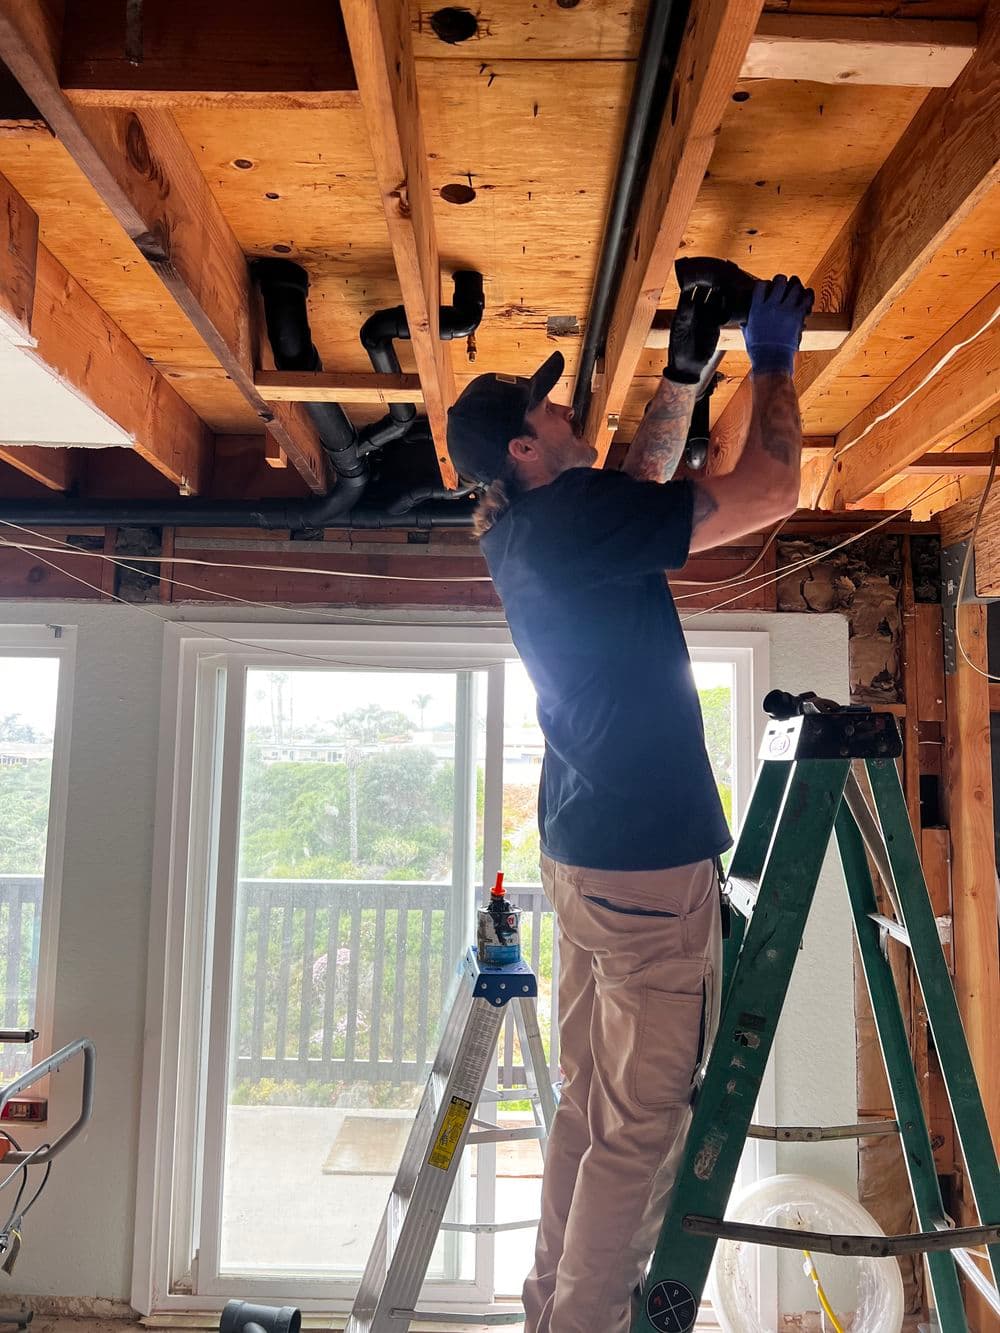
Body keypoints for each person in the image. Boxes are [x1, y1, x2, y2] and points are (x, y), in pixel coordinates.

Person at [446, 274, 814, 1333]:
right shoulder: (573, 521)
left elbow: (633, 485)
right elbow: (768, 493)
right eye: (549, 410)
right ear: (523, 447)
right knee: (637, 1128)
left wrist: (690, 367)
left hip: (588, 857)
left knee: (587, 1115)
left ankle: (550, 1309)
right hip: (644, 862)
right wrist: (775, 364)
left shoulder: (528, 529)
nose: (567, 414)